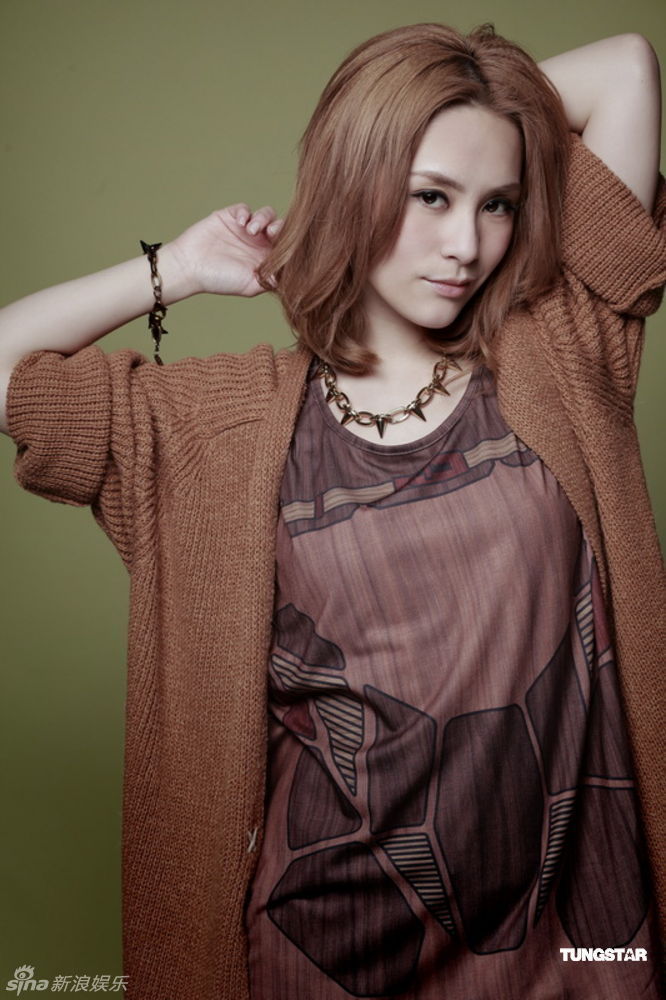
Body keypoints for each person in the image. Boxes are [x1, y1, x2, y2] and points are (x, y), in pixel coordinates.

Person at [0, 21, 664, 1000]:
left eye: (498, 203)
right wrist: (176, 266)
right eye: (430, 195)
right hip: (322, 959)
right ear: (357, 181)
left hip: (582, 957)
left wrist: (481, 95)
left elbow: (627, 68)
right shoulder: (215, 430)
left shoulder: (558, 344)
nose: (467, 243)